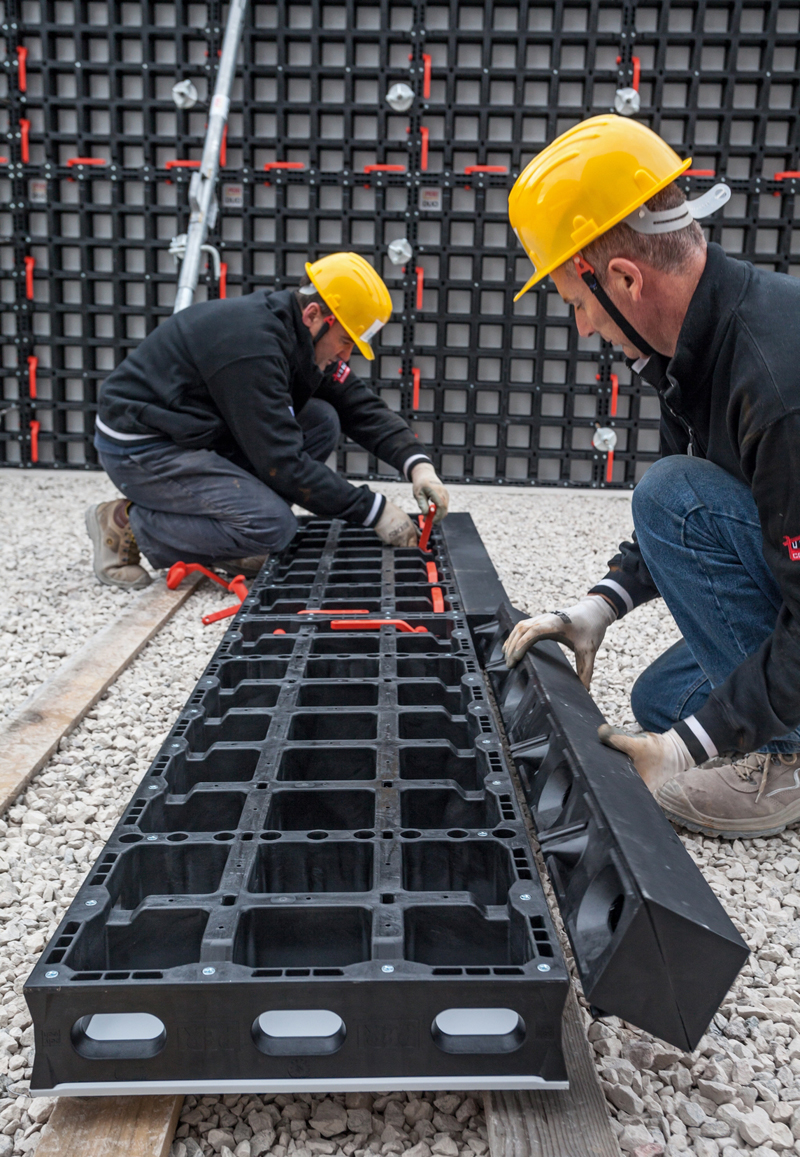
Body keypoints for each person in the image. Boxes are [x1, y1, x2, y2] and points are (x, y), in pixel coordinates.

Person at [503, 114, 800, 840]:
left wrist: (689, 749)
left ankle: (788, 761)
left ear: (624, 279)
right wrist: (600, 605)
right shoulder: (689, 350)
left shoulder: (775, 379)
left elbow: (683, 508)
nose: (583, 328)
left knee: (667, 493)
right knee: (663, 701)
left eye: (577, 303)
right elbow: (706, 503)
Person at [86, 251, 448, 589]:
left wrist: (418, 466)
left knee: (321, 420)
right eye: (345, 340)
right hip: (143, 447)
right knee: (273, 526)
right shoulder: (252, 348)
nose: (346, 354)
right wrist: (375, 512)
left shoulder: (297, 334)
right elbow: (282, 463)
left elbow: (358, 405)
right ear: (314, 315)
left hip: (195, 430)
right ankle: (128, 524)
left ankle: (237, 527)